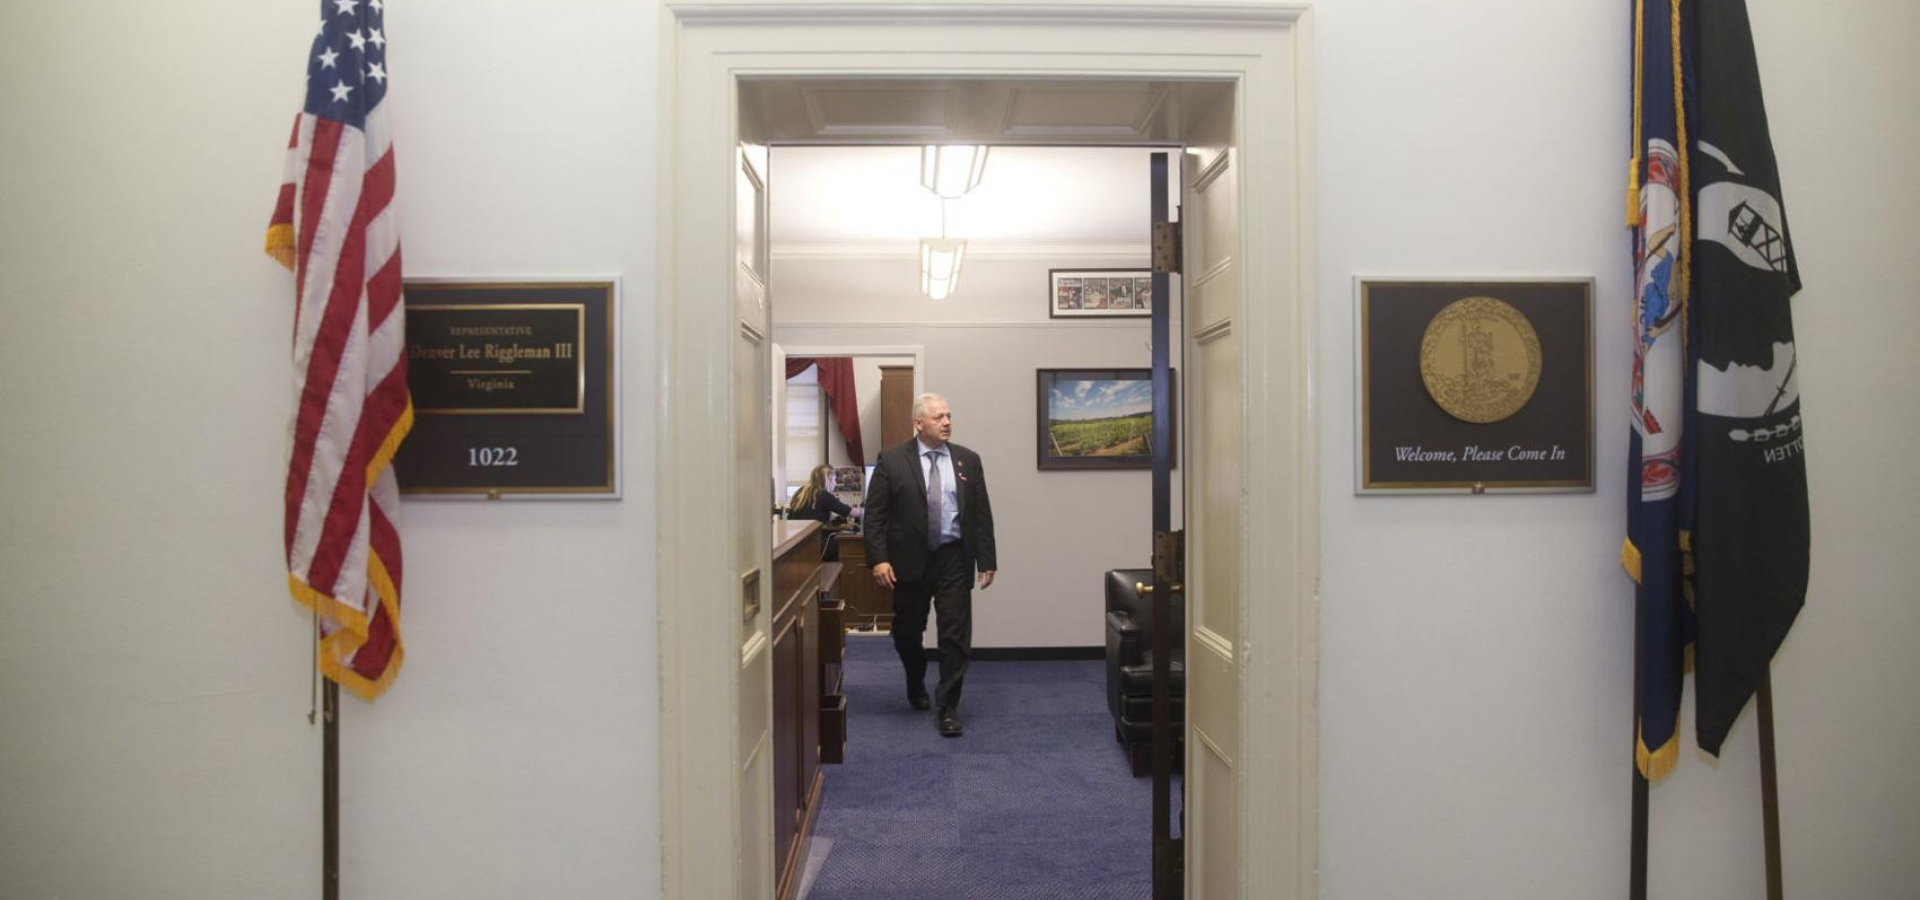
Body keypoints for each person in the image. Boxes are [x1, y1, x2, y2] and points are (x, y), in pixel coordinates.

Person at [863, 392, 996, 737]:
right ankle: (915, 678)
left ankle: (948, 707)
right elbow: (874, 516)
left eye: (949, 416)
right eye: (939, 417)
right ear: (918, 423)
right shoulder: (892, 461)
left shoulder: (969, 460)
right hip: (909, 560)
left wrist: (987, 559)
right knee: (907, 634)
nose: (947, 422)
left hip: (953, 557)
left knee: (955, 636)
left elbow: (980, 514)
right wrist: (878, 559)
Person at [786, 464, 853, 562]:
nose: (835, 484)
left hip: (795, 547)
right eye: (834, 480)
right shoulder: (823, 495)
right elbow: (850, 512)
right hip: (814, 547)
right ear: (828, 480)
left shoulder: (800, 492)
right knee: (847, 543)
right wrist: (864, 511)